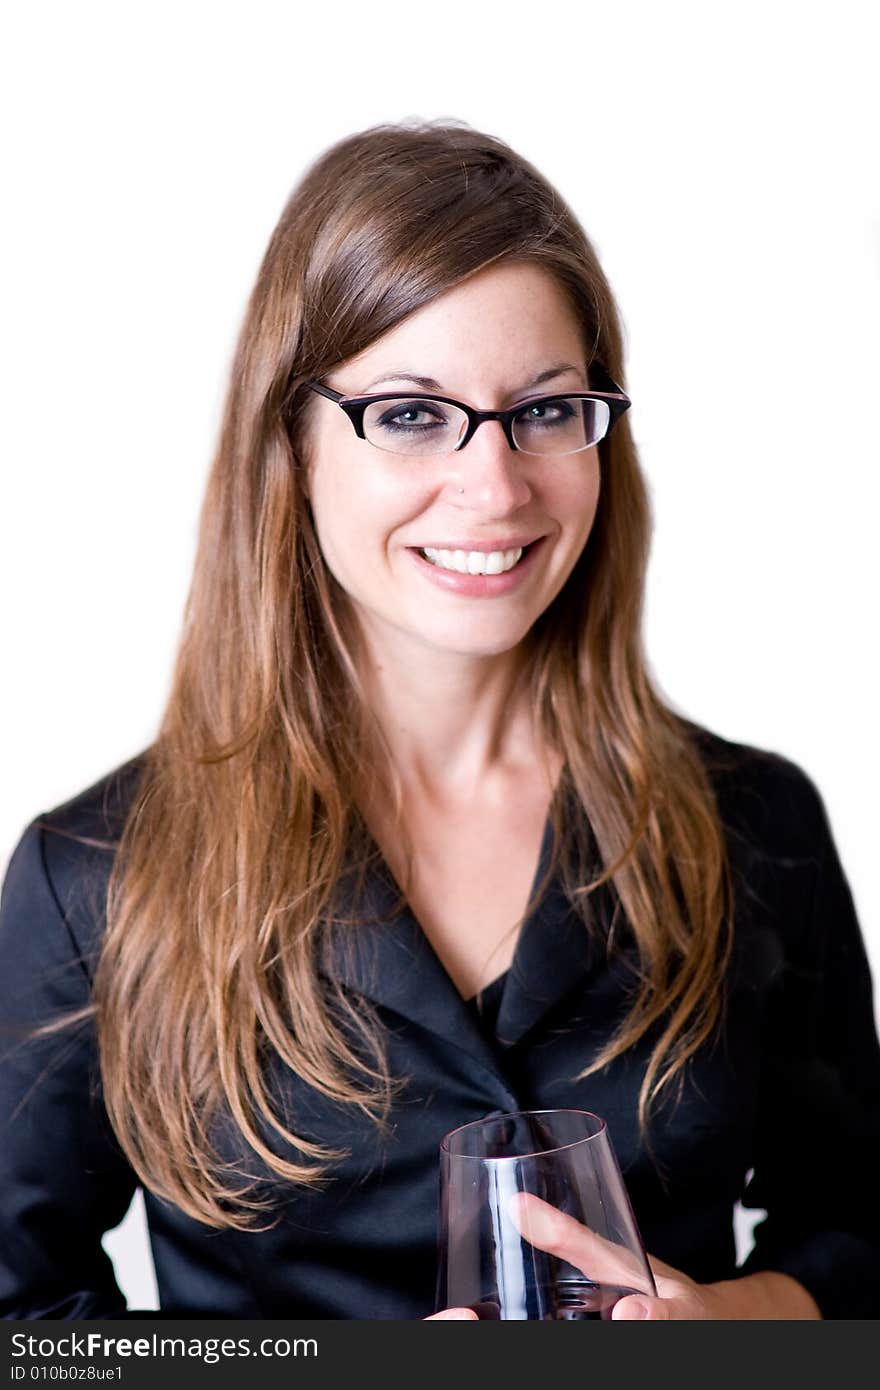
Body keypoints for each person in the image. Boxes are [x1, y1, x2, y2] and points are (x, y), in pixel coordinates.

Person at [1, 118, 878, 1323]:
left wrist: (725, 1327)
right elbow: (20, 1322)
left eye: (545, 409)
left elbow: (863, 1236)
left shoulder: (754, 823)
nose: (496, 484)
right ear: (293, 445)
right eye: (411, 413)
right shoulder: (91, 875)